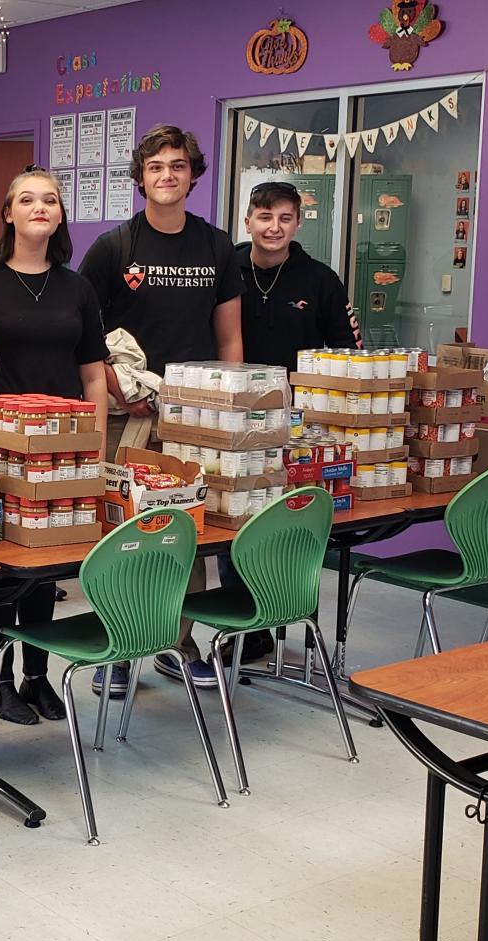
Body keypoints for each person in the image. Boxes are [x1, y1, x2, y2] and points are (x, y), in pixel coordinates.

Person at [78, 124, 245, 696]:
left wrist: (229, 404)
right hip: (127, 414)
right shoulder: (114, 248)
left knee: (185, 531)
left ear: (193, 175)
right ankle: (117, 649)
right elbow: (85, 334)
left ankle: (179, 643)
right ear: (141, 177)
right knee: (121, 530)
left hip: (194, 416)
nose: (167, 175)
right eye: (155, 166)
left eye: (177, 165)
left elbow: (229, 338)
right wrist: (113, 386)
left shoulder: (216, 247)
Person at [0, 167, 108, 724]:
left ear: (60, 214)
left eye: (49, 200)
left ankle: (37, 675)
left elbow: (93, 374)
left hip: (63, 449)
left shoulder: (77, 287)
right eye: (26, 200)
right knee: (4, 569)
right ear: (8, 214)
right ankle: (1, 681)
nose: (39, 208)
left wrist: (95, 447)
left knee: (46, 566)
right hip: (1, 447)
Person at [235, 181, 359, 373]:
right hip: (234, 389)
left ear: (298, 224)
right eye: (265, 218)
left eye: (285, 219)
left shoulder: (322, 280)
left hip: (301, 392)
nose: (275, 227)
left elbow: (349, 351)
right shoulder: (227, 273)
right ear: (247, 224)